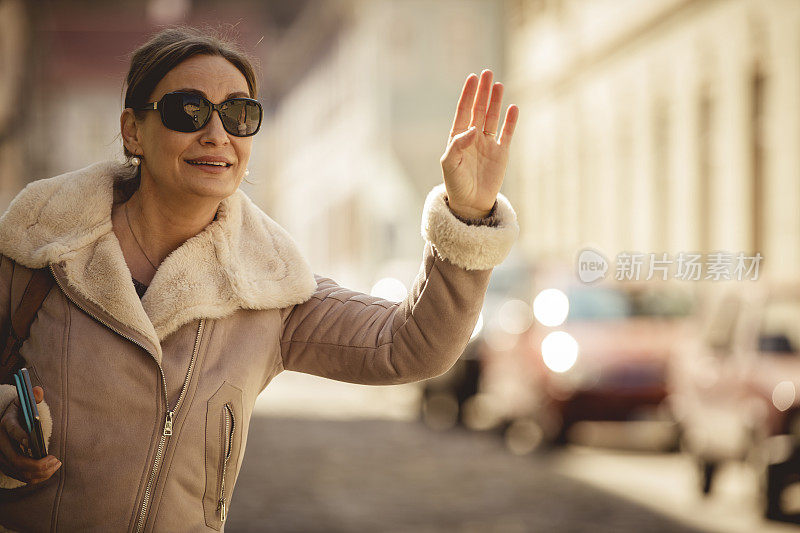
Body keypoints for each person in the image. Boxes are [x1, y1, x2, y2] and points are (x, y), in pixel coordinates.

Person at [0, 26, 519, 531]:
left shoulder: (268, 288)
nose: (217, 133)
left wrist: (466, 217)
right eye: (189, 110)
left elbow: (408, 346)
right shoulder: (37, 250)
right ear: (133, 130)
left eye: (238, 114)